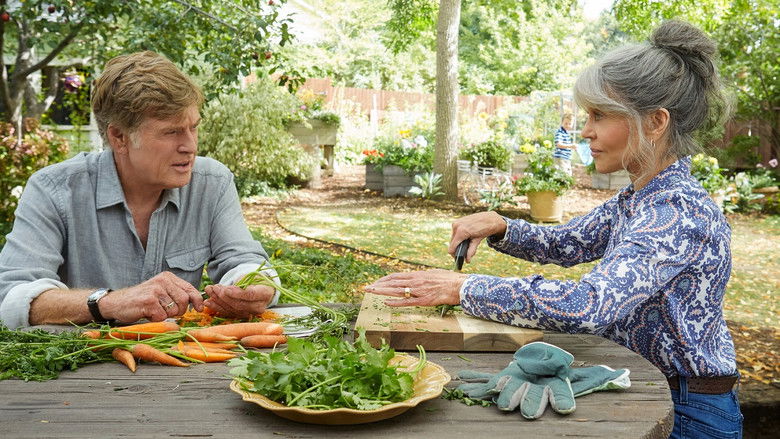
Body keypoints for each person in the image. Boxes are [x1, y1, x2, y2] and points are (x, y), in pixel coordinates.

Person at [365, 20, 741, 438]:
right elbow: (566, 243)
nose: (586, 131)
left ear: (654, 122)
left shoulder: (676, 213)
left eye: (600, 115)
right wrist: (501, 225)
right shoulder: (641, 199)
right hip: (647, 388)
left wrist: (462, 289)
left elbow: (588, 305)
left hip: (688, 411)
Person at [0, 51, 279, 329]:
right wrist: (109, 303)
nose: (190, 145)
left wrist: (252, 285)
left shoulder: (212, 182)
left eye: (193, 128)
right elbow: (11, 298)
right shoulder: (54, 190)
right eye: (171, 132)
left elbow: (244, 260)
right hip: (80, 364)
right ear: (119, 137)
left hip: (181, 366)